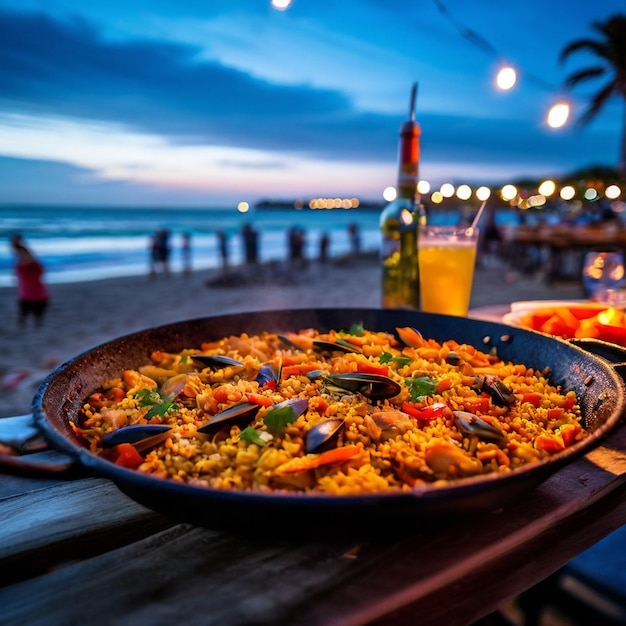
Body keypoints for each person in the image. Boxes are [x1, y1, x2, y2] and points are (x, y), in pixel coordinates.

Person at [10, 234, 49, 328]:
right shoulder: (19, 266)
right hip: (25, 296)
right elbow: (17, 252)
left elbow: (28, 256)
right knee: (23, 317)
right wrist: (16, 244)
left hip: (39, 297)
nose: (22, 257)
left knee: (38, 318)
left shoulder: (35, 266)